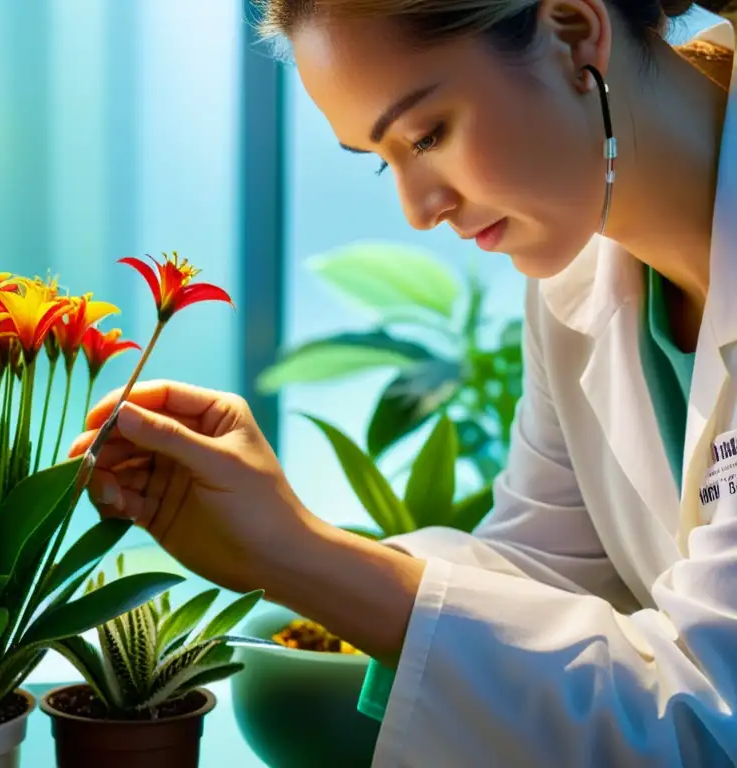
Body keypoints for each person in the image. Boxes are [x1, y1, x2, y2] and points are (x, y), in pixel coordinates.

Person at [70, 1, 737, 764]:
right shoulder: (575, 278)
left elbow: (708, 721)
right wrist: (281, 550)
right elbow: (548, 582)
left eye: (428, 133)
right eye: (385, 158)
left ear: (574, 33)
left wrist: (301, 554)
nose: (419, 209)